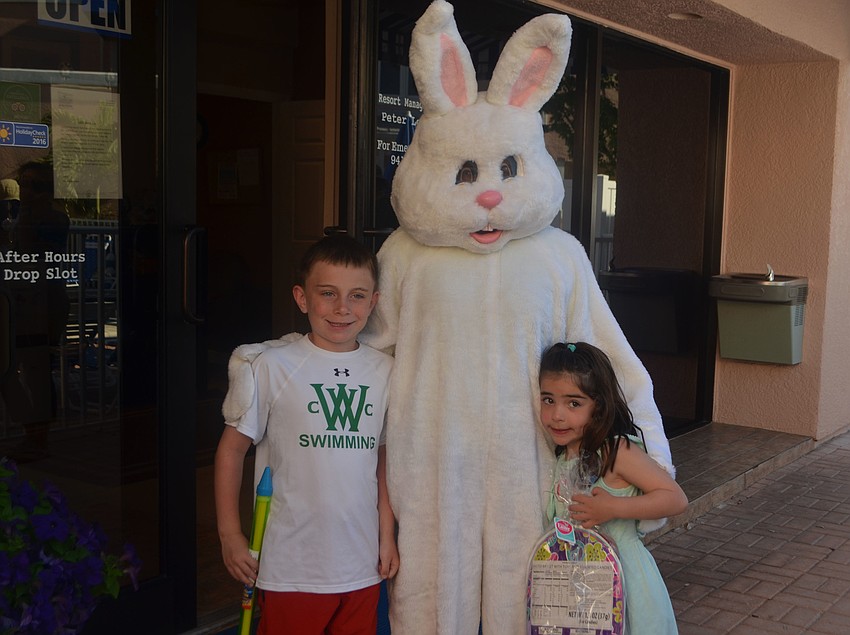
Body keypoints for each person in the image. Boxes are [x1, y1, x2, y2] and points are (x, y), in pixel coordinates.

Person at [214, 234, 399, 634]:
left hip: (360, 563)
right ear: (301, 298)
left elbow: (383, 460)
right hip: (290, 565)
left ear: (374, 302)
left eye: (356, 296)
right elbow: (232, 450)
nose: (342, 309)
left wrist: (387, 536)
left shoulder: (385, 371)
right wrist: (230, 533)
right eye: (328, 293)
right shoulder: (270, 365)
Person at [539, 342, 688, 635]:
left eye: (573, 403)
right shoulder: (564, 456)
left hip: (626, 582)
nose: (557, 415)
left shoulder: (616, 451)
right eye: (548, 400)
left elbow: (675, 498)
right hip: (580, 587)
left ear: (599, 407)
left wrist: (613, 508)